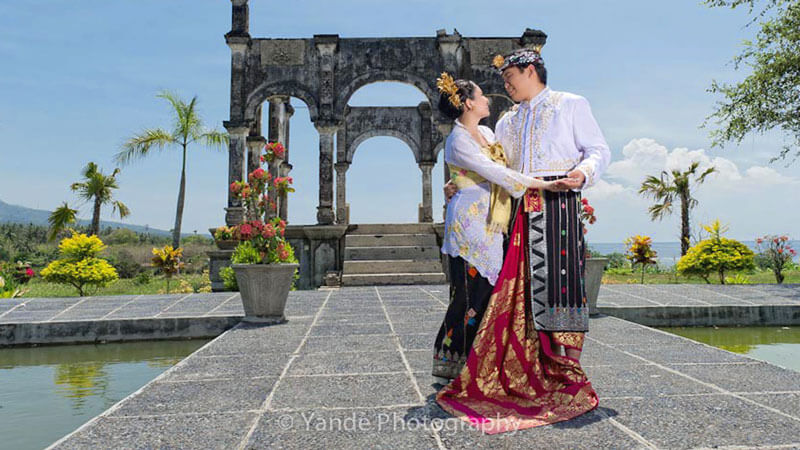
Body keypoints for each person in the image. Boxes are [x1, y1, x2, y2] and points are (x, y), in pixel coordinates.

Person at [436, 47, 609, 433]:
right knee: (520, 292)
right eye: (499, 83)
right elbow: (495, 167)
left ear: (530, 70)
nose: (505, 86)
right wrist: (458, 182)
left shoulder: (570, 104)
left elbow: (598, 150)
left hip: (559, 202)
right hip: (516, 210)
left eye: (509, 78)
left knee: (562, 286)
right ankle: (528, 362)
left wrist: (582, 175)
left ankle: (566, 364)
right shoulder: (507, 122)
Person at [432, 72, 556, 380]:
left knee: (486, 291)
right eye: (482, 94)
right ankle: (450, 357)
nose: (487, 98)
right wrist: (541, 185)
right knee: (465, 293)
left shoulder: (486, 133)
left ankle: (478, 357)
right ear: (469, 104)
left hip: (492, 221)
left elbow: (506, 164)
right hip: (469, 225)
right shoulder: (458, 139)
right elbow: (494, 172)